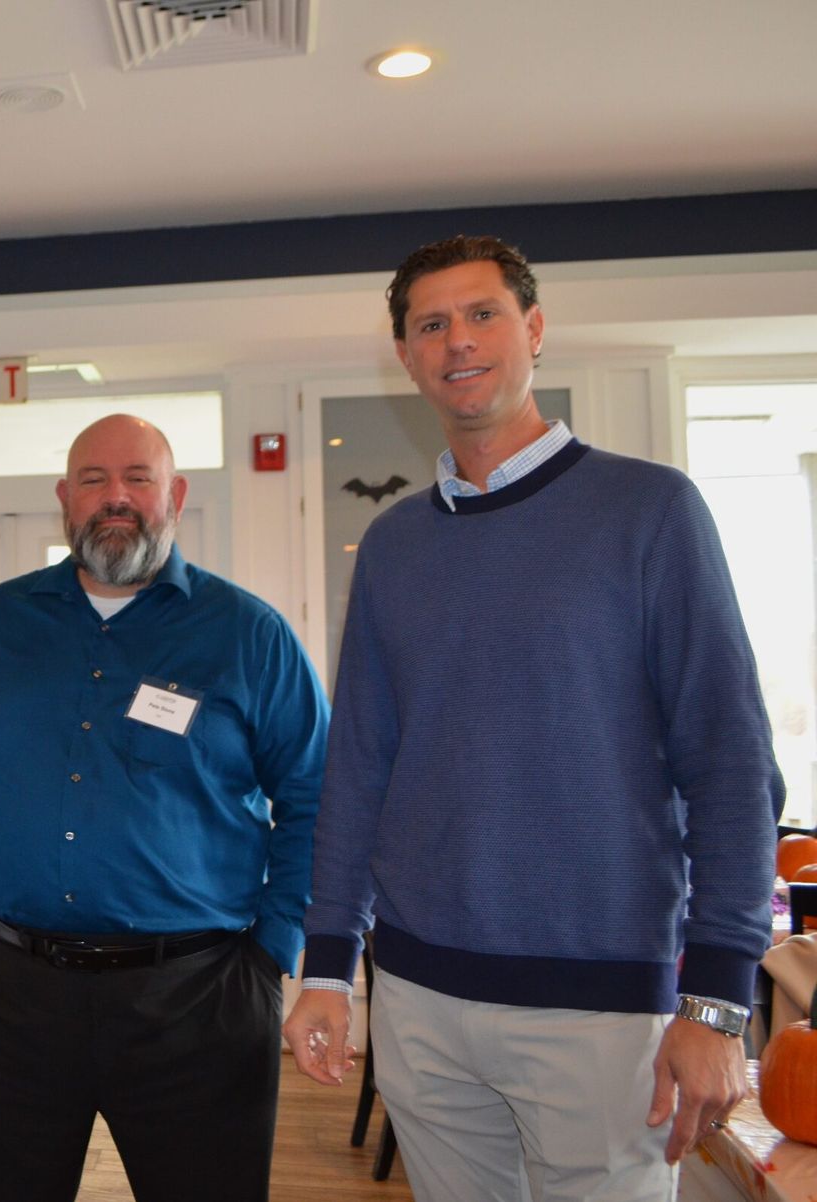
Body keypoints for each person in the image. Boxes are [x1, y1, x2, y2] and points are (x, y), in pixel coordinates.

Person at [283, 234, 783, 1200]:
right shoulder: (391, 547)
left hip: (599, 1005)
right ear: (406, 355)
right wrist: (327, 966)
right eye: (431, 324)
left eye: (482, 315)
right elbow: (358, 770)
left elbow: (730, 765)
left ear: (535, 331)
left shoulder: (651, 512)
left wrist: (718, 1001)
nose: (457, 341)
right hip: (421, 1000)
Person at [0, 414, 329, 1201]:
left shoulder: (248, 635)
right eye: (93, 480)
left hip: (198, 997)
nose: (115, 497)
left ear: (176, 495)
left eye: (138, 478)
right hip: (1, 991)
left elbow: (313, 795)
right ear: (66, 498)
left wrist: (275, 945)